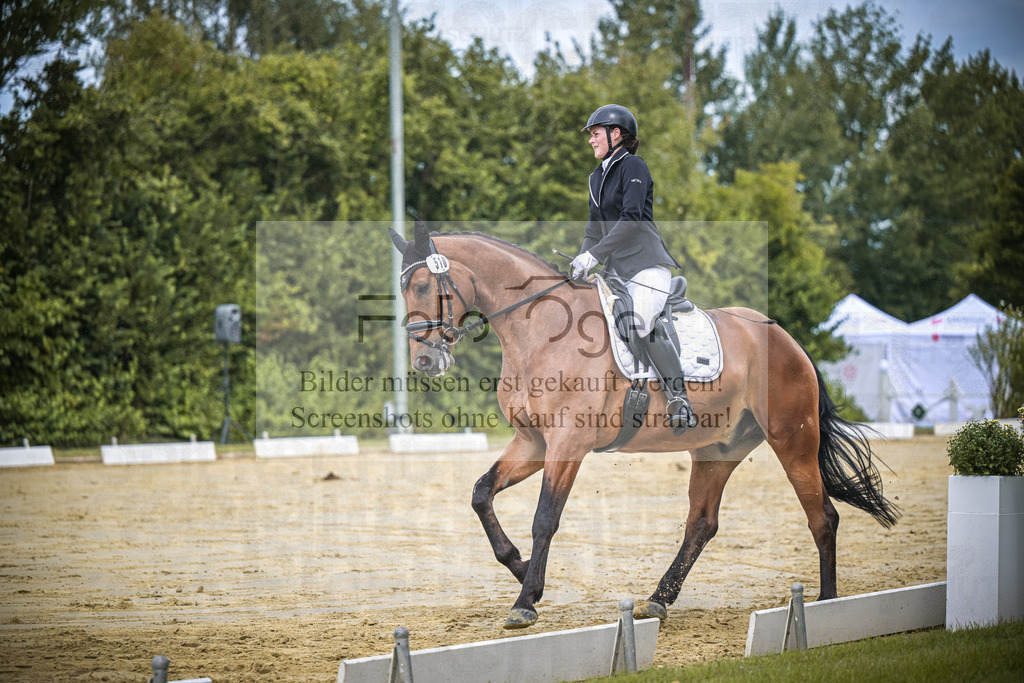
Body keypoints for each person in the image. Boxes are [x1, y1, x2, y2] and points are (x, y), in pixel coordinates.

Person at [570, 104, 698, 434]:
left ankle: (678, 399)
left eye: (595, 134)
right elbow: (592, 231)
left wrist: (594, 255)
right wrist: (581, 260)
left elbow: (631, 219)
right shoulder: (595, 178)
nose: (591, 140)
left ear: (616, 135)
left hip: (647, 266)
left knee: (641, 321)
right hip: (617, 274)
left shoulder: (633, 166)